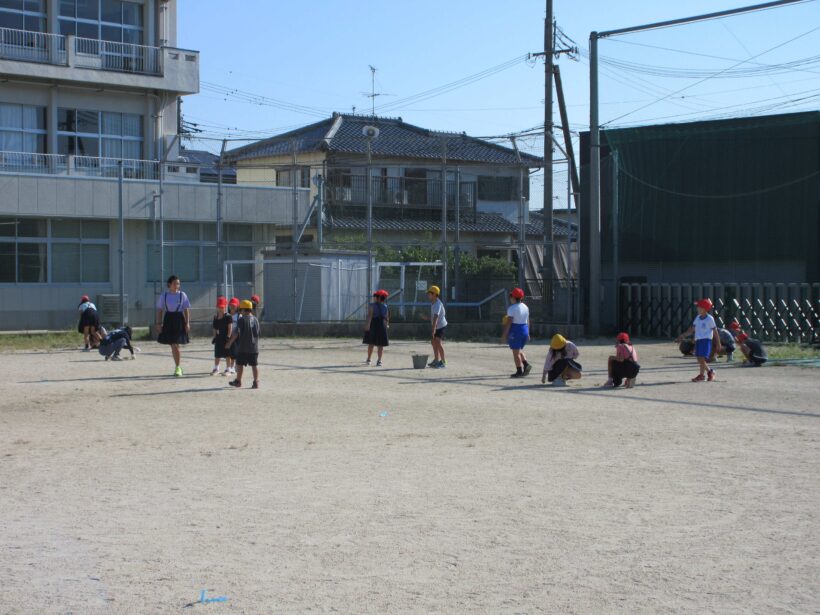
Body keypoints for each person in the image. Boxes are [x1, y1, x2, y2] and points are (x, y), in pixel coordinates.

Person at [675, 298, 722, 382]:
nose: (697, 308)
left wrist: (718, 343)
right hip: (698, 340)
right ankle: (710, 372)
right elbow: (692, 329)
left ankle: (702, 375)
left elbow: (715, 331)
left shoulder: (709, 318)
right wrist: (683, 335)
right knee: (699, 359)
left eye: (699, 307)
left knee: (701, 358)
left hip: (706, 340)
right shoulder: (698, 318)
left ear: (704, 309)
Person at [155, 275, 191, 377]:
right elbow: (160, 310)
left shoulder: (182, 295)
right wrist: (158, 323)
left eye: (178, 283)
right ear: (169, 284)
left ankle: (178, 367)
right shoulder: (164, 295)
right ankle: (178, 366)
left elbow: (186, 309)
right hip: (168, 319)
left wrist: (187, 323)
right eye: (175, 283)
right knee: (174, 345)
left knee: (175, 344)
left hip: (179, 319)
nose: (177, 285)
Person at [225, 300, 260, 389]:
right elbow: (257, 333)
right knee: (254, 365)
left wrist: (229, 342)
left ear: (243, 310)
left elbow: (236, 333)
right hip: (254, 347)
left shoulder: (241, 319)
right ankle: (256, 382)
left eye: (241, 310)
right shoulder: (255, 319)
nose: (240, 312)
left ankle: (238, 381)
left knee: (239, 364)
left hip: (243, 347)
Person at [502, 287, 532, 378]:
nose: (510, 299)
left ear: (513, 298)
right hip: (524, 329)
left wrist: (505, 334)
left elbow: (509, 322)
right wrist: (528, 333)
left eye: (511, 297)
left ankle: (519, 370)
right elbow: (528, 320)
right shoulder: (526, 307)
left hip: (516, 330)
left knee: (515, 353)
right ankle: (526, 364)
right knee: (518, 349)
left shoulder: (511, 308)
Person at [363, 290, 390, 366]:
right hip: (382, 325)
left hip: (373, 325)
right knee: (380, 344)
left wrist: (367, 325)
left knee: (371, 343)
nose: (374, 298)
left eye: (375, 296)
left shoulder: (372, 305)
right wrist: (387, 324)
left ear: (378, 298)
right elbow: (387, 317)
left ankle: (369, 359)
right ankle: (379, 361)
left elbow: (370, 316)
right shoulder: (385, 306)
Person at [423, 285, 447, 368]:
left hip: (441, 326)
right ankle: (436, 360)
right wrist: (427, 318)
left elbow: (436, 317)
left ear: (434, 294)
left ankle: (443, 362)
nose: (428, 295)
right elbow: (434, 317)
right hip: (436, 325)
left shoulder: (437, 304)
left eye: (429, 293)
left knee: (438, 342)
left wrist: (433, 329)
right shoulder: (433, 303)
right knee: (433, 342)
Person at [211, 296, 233, 375]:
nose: (220, 309)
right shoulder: (216, 317)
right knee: (217, 354)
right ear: (217, 307)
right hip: (219, 337)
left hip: (226, 337)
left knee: (227, 354)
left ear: (225, 307)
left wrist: (228, 337)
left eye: (222, 307)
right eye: (219, 307)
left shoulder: (228, 316)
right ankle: (216, 368)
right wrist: (214, 337)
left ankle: (228, 369)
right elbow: (214, 328)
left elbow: (230, 327)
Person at [224, 297, 241, 376]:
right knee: (228, 351)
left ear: (237, 306)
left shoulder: (239, 316)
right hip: (228, 334)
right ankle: (230, 366)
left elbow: (239, 328)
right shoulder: (227, 315)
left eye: (234, 305)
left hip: (236, 336)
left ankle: (232, 367)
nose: (232, 307)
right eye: (230, 305)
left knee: (234, 352)